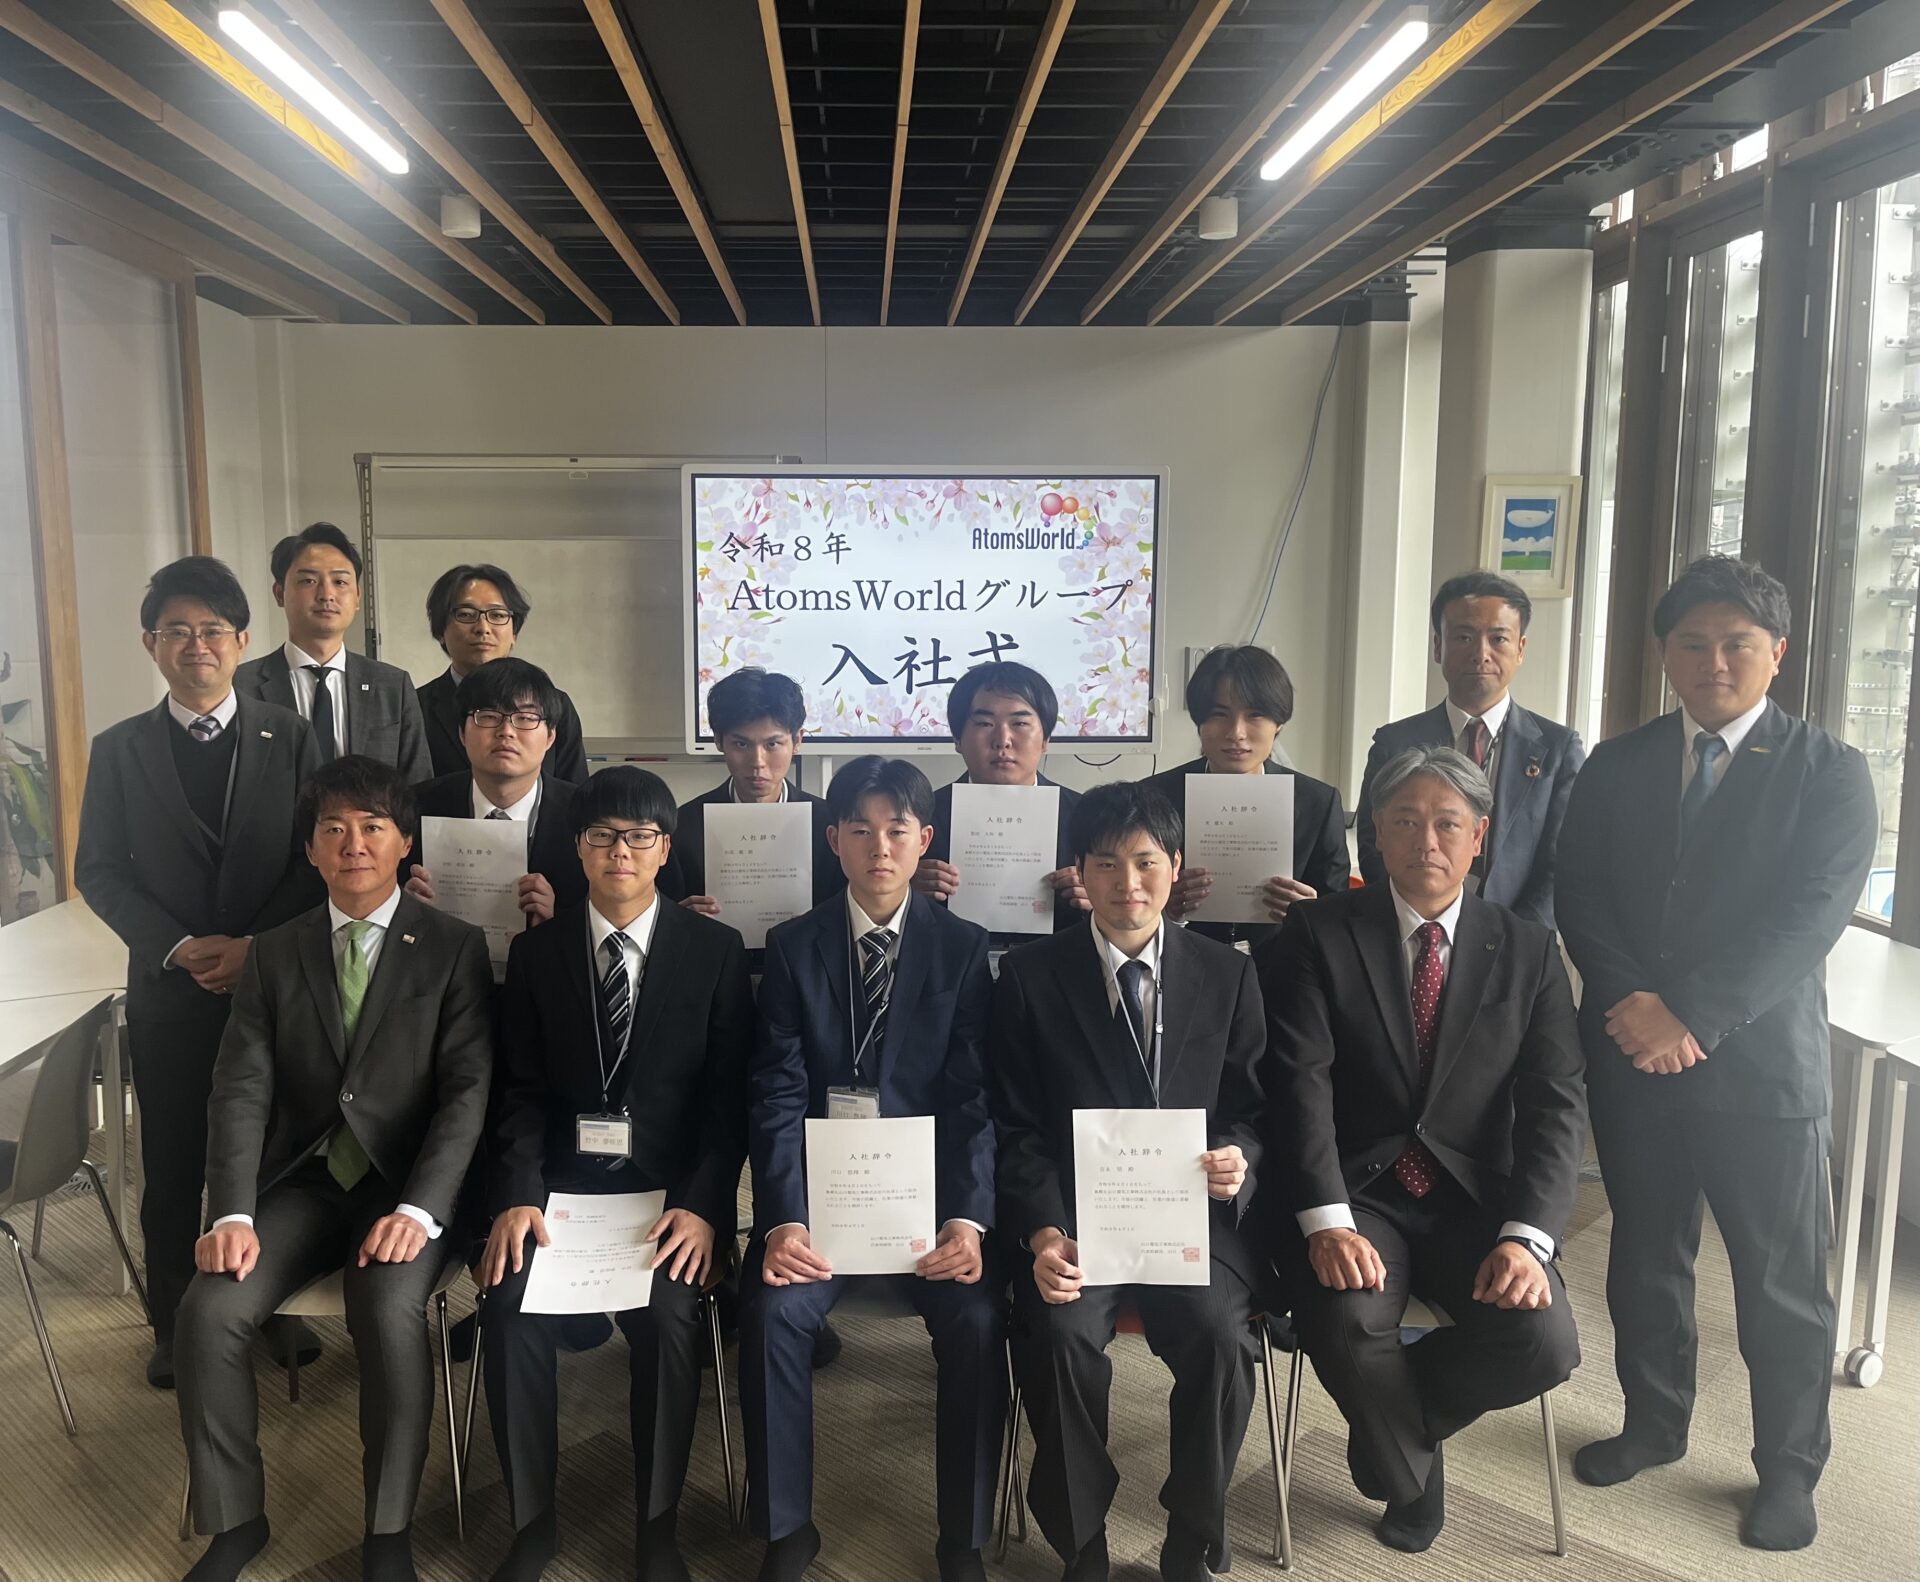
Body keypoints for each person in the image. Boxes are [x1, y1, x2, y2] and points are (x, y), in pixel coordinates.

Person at [1557, 555, 1876, 1552]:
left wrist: (1689, 1015)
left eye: (1737, 643)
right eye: (1692, 643)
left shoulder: (1830, 771)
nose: (1714, 662)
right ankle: (1654, 1424)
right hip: (1632, 1059)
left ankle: (1788, 1469)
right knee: (1646, 1255)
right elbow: (1580, 894)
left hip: (1762, 1073)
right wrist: (1632, 1008)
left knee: (1780, 1283)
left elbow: (1808, 920)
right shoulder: (1618, 763)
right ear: (1666, 654)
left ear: (1778, 652)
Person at [1257, 745, 1584, 1553]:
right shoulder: (1318, 932)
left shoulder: (1529, 948)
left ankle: (1393, 1430)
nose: (1426, 842)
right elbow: (1300, 1085)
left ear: (1480, 836)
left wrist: (1527, 1239)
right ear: (1375, 832)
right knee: (1344, 1317)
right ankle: (1412, 1470)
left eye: (1446, 824)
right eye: (1405, 821)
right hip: (1357, 1192)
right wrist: (1326, 1221)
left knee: (1544, 1342)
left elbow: (1556, 1105)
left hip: (1473, 1198)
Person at [173, 755, 493, 1582]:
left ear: (404, 842)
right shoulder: (275, 954)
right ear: (311, 849)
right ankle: (235, 1520)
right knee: (209, 1310)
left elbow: (467, 1094)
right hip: (305, 1183)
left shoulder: (453, 947)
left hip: (405, 1189)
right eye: (334, 829)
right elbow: (239, 1090)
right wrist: (230, 1212)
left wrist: (422, 1209)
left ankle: (388, 1531)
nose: (355, 843)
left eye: (373, 826)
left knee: (386, 1310)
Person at [478, 767, 752, 1582]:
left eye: (639, 836)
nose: (619, 851)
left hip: (668, 1199)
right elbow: (521, 1094)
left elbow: (727, 1102)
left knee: (670, 1315)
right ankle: (532, 1524)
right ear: (578, 848)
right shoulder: (537, 953)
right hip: (563, 1196)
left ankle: (657, 1527)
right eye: (602, 836)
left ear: (666, 849)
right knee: (508, 1305)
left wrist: (704, 1207)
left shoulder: (715, 951)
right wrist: (519, 1198)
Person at [991, 780, 1264, 1582]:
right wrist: (1044, 1232)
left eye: (1146, 862)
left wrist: (1237, 1159)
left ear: (1176, 867)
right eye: (1106, 863)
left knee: (1222, 1338)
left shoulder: (1227, 974)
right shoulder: (1030, 976)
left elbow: (1252, 1108)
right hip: (1078, 1222)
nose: (1128, 883)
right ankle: (1082, 1539)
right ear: (1080, 873)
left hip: (1190, 1219)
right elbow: (1014, 1125)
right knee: (1060, 1337)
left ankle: (1191, 1531)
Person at [740, 756, 1002, 1582]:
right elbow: (777, 1094)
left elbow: (974, 1100)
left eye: (897, 830)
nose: (879, 848)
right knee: (773, 1312)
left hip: (929, 1211)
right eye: (861, 829)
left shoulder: (963, 949)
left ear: (926, 840)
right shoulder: (793, 946)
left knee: (978, 1319)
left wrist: (968, 1219)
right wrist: (783, 1219)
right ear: (834, 841)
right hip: (821, 1206)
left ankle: (963, 1537)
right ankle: (786, 1529)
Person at [74, 556, 323, 1388]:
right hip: (172, 991)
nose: (196, 645)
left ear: (243, 640)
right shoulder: (118, 750)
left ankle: (276, 1309)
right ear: (150, 644)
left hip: (273, 983)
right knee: (176, 1161)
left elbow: (315, 857)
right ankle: (177, 1325)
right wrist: (180, 946)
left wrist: (255, 946)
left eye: (213, 629)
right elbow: (98, 870)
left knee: (276, 1152)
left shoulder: (291, 737)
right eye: (176, 631)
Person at [1354, 572, 1584, 928]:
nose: (1481, 654)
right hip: (1411, 937)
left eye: (1498, 638)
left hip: (1517, 942)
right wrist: (1420, 924)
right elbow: (1374, 846)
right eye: (1463, 637)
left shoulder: (1558, 750)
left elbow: (1565, 865)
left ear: (1520, 649)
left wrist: (1513, 938)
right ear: (1437, 646)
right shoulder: (1394, 744)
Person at [1143, 644, 1348, 953]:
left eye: (1255, 715)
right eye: (1219, 714)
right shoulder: (1153, 797)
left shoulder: (1318, 802)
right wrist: (1164, 909)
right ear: (1199, 721)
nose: (1236, 732)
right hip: (1183, 962)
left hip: (1284, 965)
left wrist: (1313, 912)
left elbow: (1339, 912)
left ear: (1279, 723)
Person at [232, 523, 432, 784]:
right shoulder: (240, 685)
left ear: (357, 597)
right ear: (279, 593)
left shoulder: (393, 686)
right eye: (309, 581)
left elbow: (418, 787)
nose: (326, 594)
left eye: (340, 582)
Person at [912, 661, 1089, 947]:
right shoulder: (918, 817)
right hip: (946, 966)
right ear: (957, 738)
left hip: (1058, 967)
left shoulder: (1088, 816)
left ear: (1046, 739)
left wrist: (1100, 900)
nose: (1002, 740)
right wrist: (902, 893)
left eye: (1019, 723)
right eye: (985, 724)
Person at [659, 666, 840, 943]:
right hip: (716, 963)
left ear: (797, 740)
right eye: (741, 744)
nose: (757, 762)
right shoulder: (683, 826)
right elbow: (661, 916)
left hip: (808, 964)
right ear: (718, 741)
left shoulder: (830, 824)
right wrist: (677, 918)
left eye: (772, 744)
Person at [407, 658, 588, 925]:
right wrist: (404, 909)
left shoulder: (587, 816)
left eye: (525, 718)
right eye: (488, 717)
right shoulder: (414, 808)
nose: (506, 732)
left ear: (550, 736)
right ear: (462, 733)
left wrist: (557, 921)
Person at [415, 563, 589, 783]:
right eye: (466, 614)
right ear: (440, 631)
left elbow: (575, 792)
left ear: (514, 633)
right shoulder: (415, 707)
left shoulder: (556, 704)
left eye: (497, 615)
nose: (483, 628)